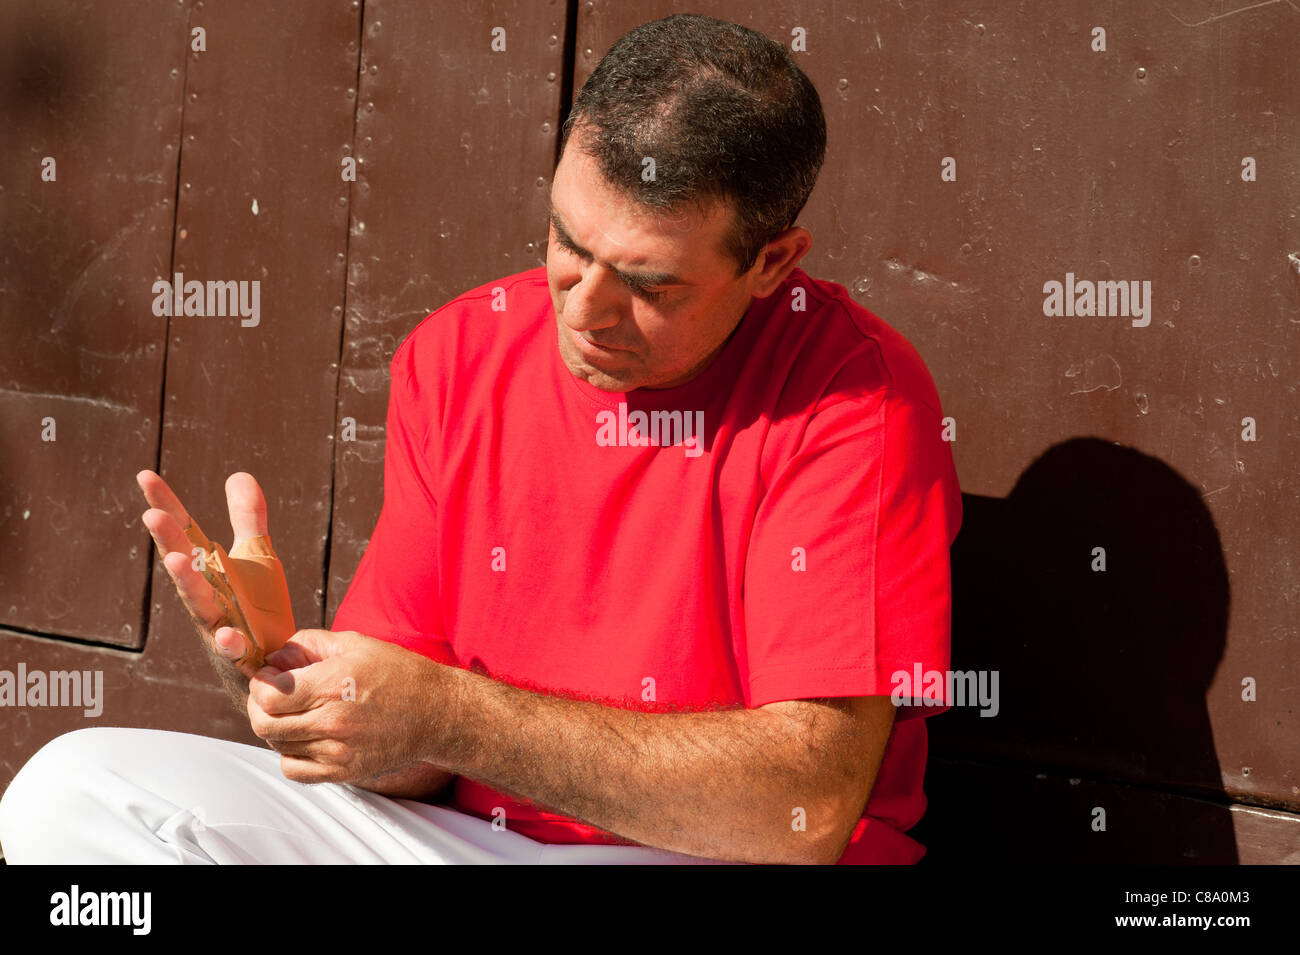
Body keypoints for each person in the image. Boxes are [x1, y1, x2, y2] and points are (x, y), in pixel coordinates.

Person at [0, 12, 961, 865]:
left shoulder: (854, 398)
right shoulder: (459, 352)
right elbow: (405, 759)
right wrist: (283, 677)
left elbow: (801, 813)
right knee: (73, 792)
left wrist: (447, 712)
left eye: (650, 281)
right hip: (464, 841)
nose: (584, 306)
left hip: (710, 860)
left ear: (771, 263)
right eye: (567, 243)